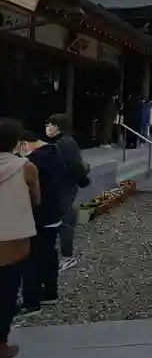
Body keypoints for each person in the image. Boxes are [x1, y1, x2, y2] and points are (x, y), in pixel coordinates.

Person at [0, 119, 40, 358]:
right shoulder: (26, 167)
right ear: (16, 141)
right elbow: (36, 199)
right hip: (13, 241)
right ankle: (1, 344)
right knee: (6, 293)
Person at [17, 130, 68, 316]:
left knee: (32, 259)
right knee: (48, 254)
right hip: (54, 213)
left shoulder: (34, 162)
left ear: (23, 143)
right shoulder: (55, 152)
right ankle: (50, 292)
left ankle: (32, 302)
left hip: (37, 216)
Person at [45, 114, 86, 272]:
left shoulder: (65, 142)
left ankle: (68, 257)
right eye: (47, 124)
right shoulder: (60, 141)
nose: (48, 127)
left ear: (59, 126)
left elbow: (74, 165)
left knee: (65, 222)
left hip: (65, 187)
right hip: (60, 187)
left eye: (52, 124)